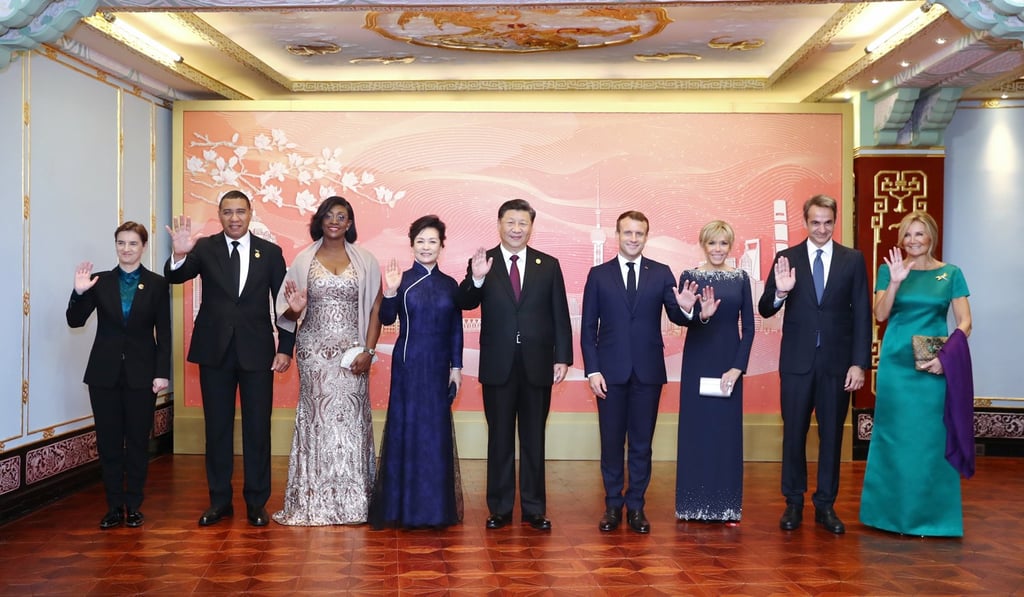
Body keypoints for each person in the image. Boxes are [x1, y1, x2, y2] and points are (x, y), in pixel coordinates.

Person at [165, 190, 295, 527]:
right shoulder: (204, 248)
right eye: (227, 212)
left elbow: (285, 305)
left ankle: (256, 502)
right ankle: (220, 500)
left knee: (257, 429)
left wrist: (285, 347)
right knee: (217, 428)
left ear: (250, 213)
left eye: (240, 211)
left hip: (257, 353)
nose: (234, 218)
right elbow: (176, 275)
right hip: (215, 352)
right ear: (219, 215)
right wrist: (178, 254)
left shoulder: (270, 253)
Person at [457, 198, 573, 531]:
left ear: (531, 227)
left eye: (523, 223)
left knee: (534, 438)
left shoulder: (548, 265)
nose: (516, 229)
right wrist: (477, 279)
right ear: (499, 224)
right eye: (510, 222)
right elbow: (465, 301)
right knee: (500, 439)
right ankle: (500, 508)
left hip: (538, 364)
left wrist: (563, 356)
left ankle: (535, 509)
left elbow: (559, 314)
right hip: (498, 364)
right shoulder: (484, 262)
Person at [758, 194, 871, 534]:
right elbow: (765, 308)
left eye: (827, 222)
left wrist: (859, 364)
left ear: (834, 222)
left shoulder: (853, 260)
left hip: (838, 366)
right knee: (793, 434)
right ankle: (793, 503)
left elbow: (863, 314)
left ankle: (825, 505)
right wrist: (780, 292)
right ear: (805, 222)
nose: (821, 229)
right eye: (815, 222)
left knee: (832, 436)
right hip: (796, 363)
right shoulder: (786, 258)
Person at [860, 210, 972, 537]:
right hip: (896, 367)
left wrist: (946, 358)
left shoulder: (951, 274)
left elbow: (965, 322)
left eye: (920, 234)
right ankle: (888, 516)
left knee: (930, 439)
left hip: (934, 369)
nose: (913, 241)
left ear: (931, 237)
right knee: (894, 438)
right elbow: (880, 314)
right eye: (908, 235)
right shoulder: (888, 270)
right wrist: (895, 282)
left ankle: (934, 519)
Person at [272, 196, 383, 526]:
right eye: (329, 215)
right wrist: (294, 306)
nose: (335, 221)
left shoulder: (366, 260)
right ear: (320, 220)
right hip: (313, 354)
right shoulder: (303, 260)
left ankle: (355, 505)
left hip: (353, 355)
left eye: (342, 216)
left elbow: (376, 310)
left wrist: (369, 351)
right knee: (318, 423)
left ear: (350, 223)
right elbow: (289, 313)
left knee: (349, 424)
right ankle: (313, 501)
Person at [580, 210, 687, 534]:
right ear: (617, 234)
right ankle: (613, 505)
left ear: (646, 236)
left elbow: (678, 316)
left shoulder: (662, 273)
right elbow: (588, 328)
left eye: (639, 233)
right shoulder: (598, 275)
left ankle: (636, 506)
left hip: (648, 373)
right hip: (609, 374)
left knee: (641, 444)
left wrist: (689, 309)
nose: (633, 238)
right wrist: (592, 370)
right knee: (611, 443)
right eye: (628, 233)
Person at [66, 222, 170, 529]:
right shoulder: (100, 280)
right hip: (104, 374)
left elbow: (163, 332)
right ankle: (113, 506)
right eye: (121, 243)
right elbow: (74, 321)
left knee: (138, 442)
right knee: (109, 443)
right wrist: (78, 292)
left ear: (143, 247)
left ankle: (133, 505)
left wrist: (162, 373)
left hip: (143, 375)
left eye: (133, 244)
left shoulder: (157, 283)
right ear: (116, 246)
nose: (126, 249)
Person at [369, 215, 465, 529]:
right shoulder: (402, 280)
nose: (426, 247)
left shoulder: (450, 285)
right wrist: (392, 290)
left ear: (441, 247)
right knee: (406, 431)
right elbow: (385, 318)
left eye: (432, 241)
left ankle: (433, 510)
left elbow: (455, 330)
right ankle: (402, 508)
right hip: (409, 363)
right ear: (412, 245)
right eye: (420, 241)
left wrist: (457, 368)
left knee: (433, 434)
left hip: (439, 367)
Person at [675, 220, 754, 524]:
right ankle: (691, 505)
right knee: (697, 432)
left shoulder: (741, 278)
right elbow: (686, 320)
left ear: (730, 245)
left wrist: (737, 368)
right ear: (703, 245)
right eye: (712, 243)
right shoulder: (690, 277)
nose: (718, 249)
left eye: (723, 243)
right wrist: (698, 315)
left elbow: (748, 328)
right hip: (697, 362)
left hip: (728, 365)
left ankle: (725, 506)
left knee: (724, 434)